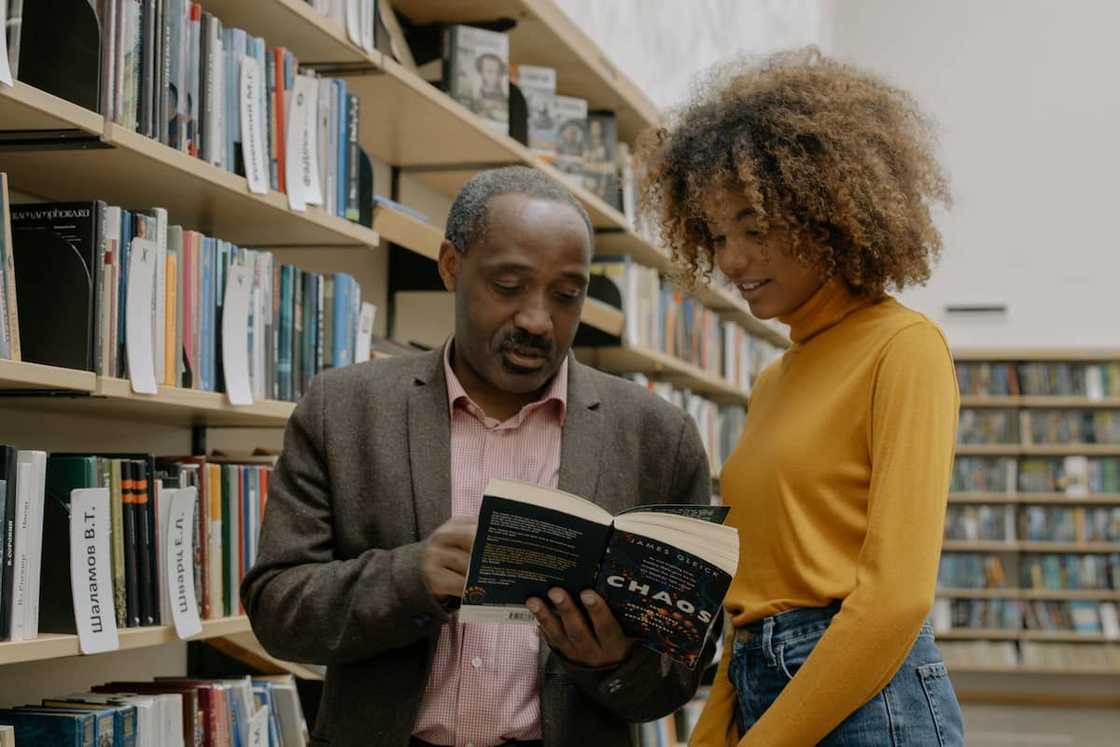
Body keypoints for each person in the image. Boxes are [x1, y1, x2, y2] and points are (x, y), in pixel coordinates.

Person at [242, 166, 716, 747]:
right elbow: (276, 611)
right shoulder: (343, 410)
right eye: (508, 286)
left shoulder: (657, 438)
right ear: (450, 265)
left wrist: (612, 661)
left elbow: (678, 674)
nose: (538, 320)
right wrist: (409, 577)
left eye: (567, 295)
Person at [640, 48, 964, 745]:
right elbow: (754, 595)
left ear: (829, 214)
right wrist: (716, 726)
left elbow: (895, 599)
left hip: (869, 700)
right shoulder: (771, 380)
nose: (731, 261)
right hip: (764, 683)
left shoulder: (903, 348)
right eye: (718, 236)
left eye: (754, 229)